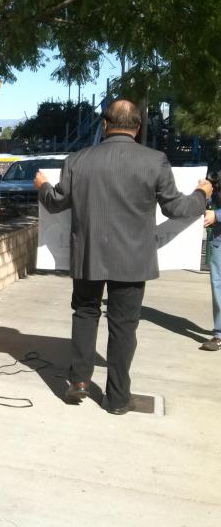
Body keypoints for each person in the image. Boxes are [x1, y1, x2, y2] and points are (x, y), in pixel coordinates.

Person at [34, 99, 212, 414]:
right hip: (133, 260)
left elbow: (56, 202)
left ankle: (78, 381)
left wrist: (43, 186)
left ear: (104, 124)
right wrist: (202, 194)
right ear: (138, 127)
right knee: (123, 326)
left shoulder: (78, 159)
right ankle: (117, 399)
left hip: (88, 256)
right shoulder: (155, 161)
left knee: (85, 314)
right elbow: (176, 208)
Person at [201, 170, 221, 351]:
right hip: (219, 239)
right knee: (218, 286)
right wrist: (204, 194)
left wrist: (218, 215)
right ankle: (219, 333)